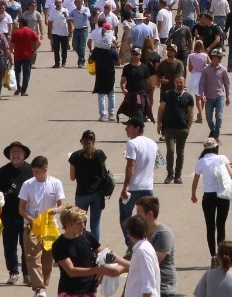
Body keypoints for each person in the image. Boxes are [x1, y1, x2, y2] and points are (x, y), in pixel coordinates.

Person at [17, 155, 65, 297]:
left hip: (50, 227)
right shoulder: (27, 184)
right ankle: (39, 288)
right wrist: (33, 220)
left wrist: (56, 210)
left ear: (45, 169)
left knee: (47, 258)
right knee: (32, 256)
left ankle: (43, 285)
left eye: (38, 171)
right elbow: (22, 209)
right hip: (32, 226)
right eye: (34, 171)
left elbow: (62, 204)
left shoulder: (55, 183)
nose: (35, 174)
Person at [191, 137, 232, 267]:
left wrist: (193, 195)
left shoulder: (201, 162)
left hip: (208, 197)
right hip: (223, 196)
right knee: (221, 226)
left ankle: (213, 256)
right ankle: (221, 256)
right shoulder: (222, 158)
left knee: (210, 227)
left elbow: (196, 180)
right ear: (216, 147)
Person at [133, 195, 177, 297]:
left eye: (139, 212)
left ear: (149, 214)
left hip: (163, 289)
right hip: (142, 288)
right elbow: (131, 257)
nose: (136, 216)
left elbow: (151, 263)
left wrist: (120, 267)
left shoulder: (164, 234)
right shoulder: (141, 233)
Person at [0, 141, 34, 288]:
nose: (15, 154)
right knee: (9, 245)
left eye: (18, 151)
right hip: (8, 215)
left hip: (26, 215)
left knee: (27, 246)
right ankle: (13, 272)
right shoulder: (2, 172)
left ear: (24, 154)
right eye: (13, 152)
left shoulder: (31, 171)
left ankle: (27, 273)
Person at [117, 118, 158, 247]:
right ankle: (147, 244)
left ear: (137, 129)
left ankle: (131, 244)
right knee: (147, 218)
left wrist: (125, 187)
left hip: (134, 187)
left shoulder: (132, 143)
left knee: (125, 216)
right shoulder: (153, 143)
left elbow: (131, 165)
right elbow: (156, 163)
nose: (126, 129)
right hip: (148, 187)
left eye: (128, 126)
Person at [66, 131, 108, 238]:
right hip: (97, 194)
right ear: (94, 141)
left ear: (82, 141)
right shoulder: (100, 154)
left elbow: (72, 177)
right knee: (95, 223)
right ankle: (95, 250)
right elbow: (104, 172)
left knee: (80, 223)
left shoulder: (75, 156)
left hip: (82, 194)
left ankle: (83, 246)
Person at [157, 75, 196, 184]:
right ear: (174, 83)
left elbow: (191, 113)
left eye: (181, 82)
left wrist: (188, 127)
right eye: (177, 82)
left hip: (182, 129)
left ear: (185, 83)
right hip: (169, 128)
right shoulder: (167, 95)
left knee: (180, 153)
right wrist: (159, 124)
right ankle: (170, 174)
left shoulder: (188, 97)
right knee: (170, 151)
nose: (179, 84)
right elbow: (161, 109)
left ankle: (178, 176)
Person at [10, 16, 40, 97]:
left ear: (21, 23)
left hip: (18, 55)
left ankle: (18, 87)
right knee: (27, 73)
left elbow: (11, 44)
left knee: (17, 72)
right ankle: (24, 90)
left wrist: (10, 52)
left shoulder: (16, 32)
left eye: (19, 23)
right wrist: (34, 50)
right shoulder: (31, 31)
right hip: (28, 55)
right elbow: (38, 42)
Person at [90, 39, 119, 122]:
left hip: (100, 74)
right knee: (111, 94)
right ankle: (111, 115)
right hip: (110, 74)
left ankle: (102, 115)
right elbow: (118, 63)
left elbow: (90, 60)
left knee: (101, 95)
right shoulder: (112, 50)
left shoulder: (97, 50)